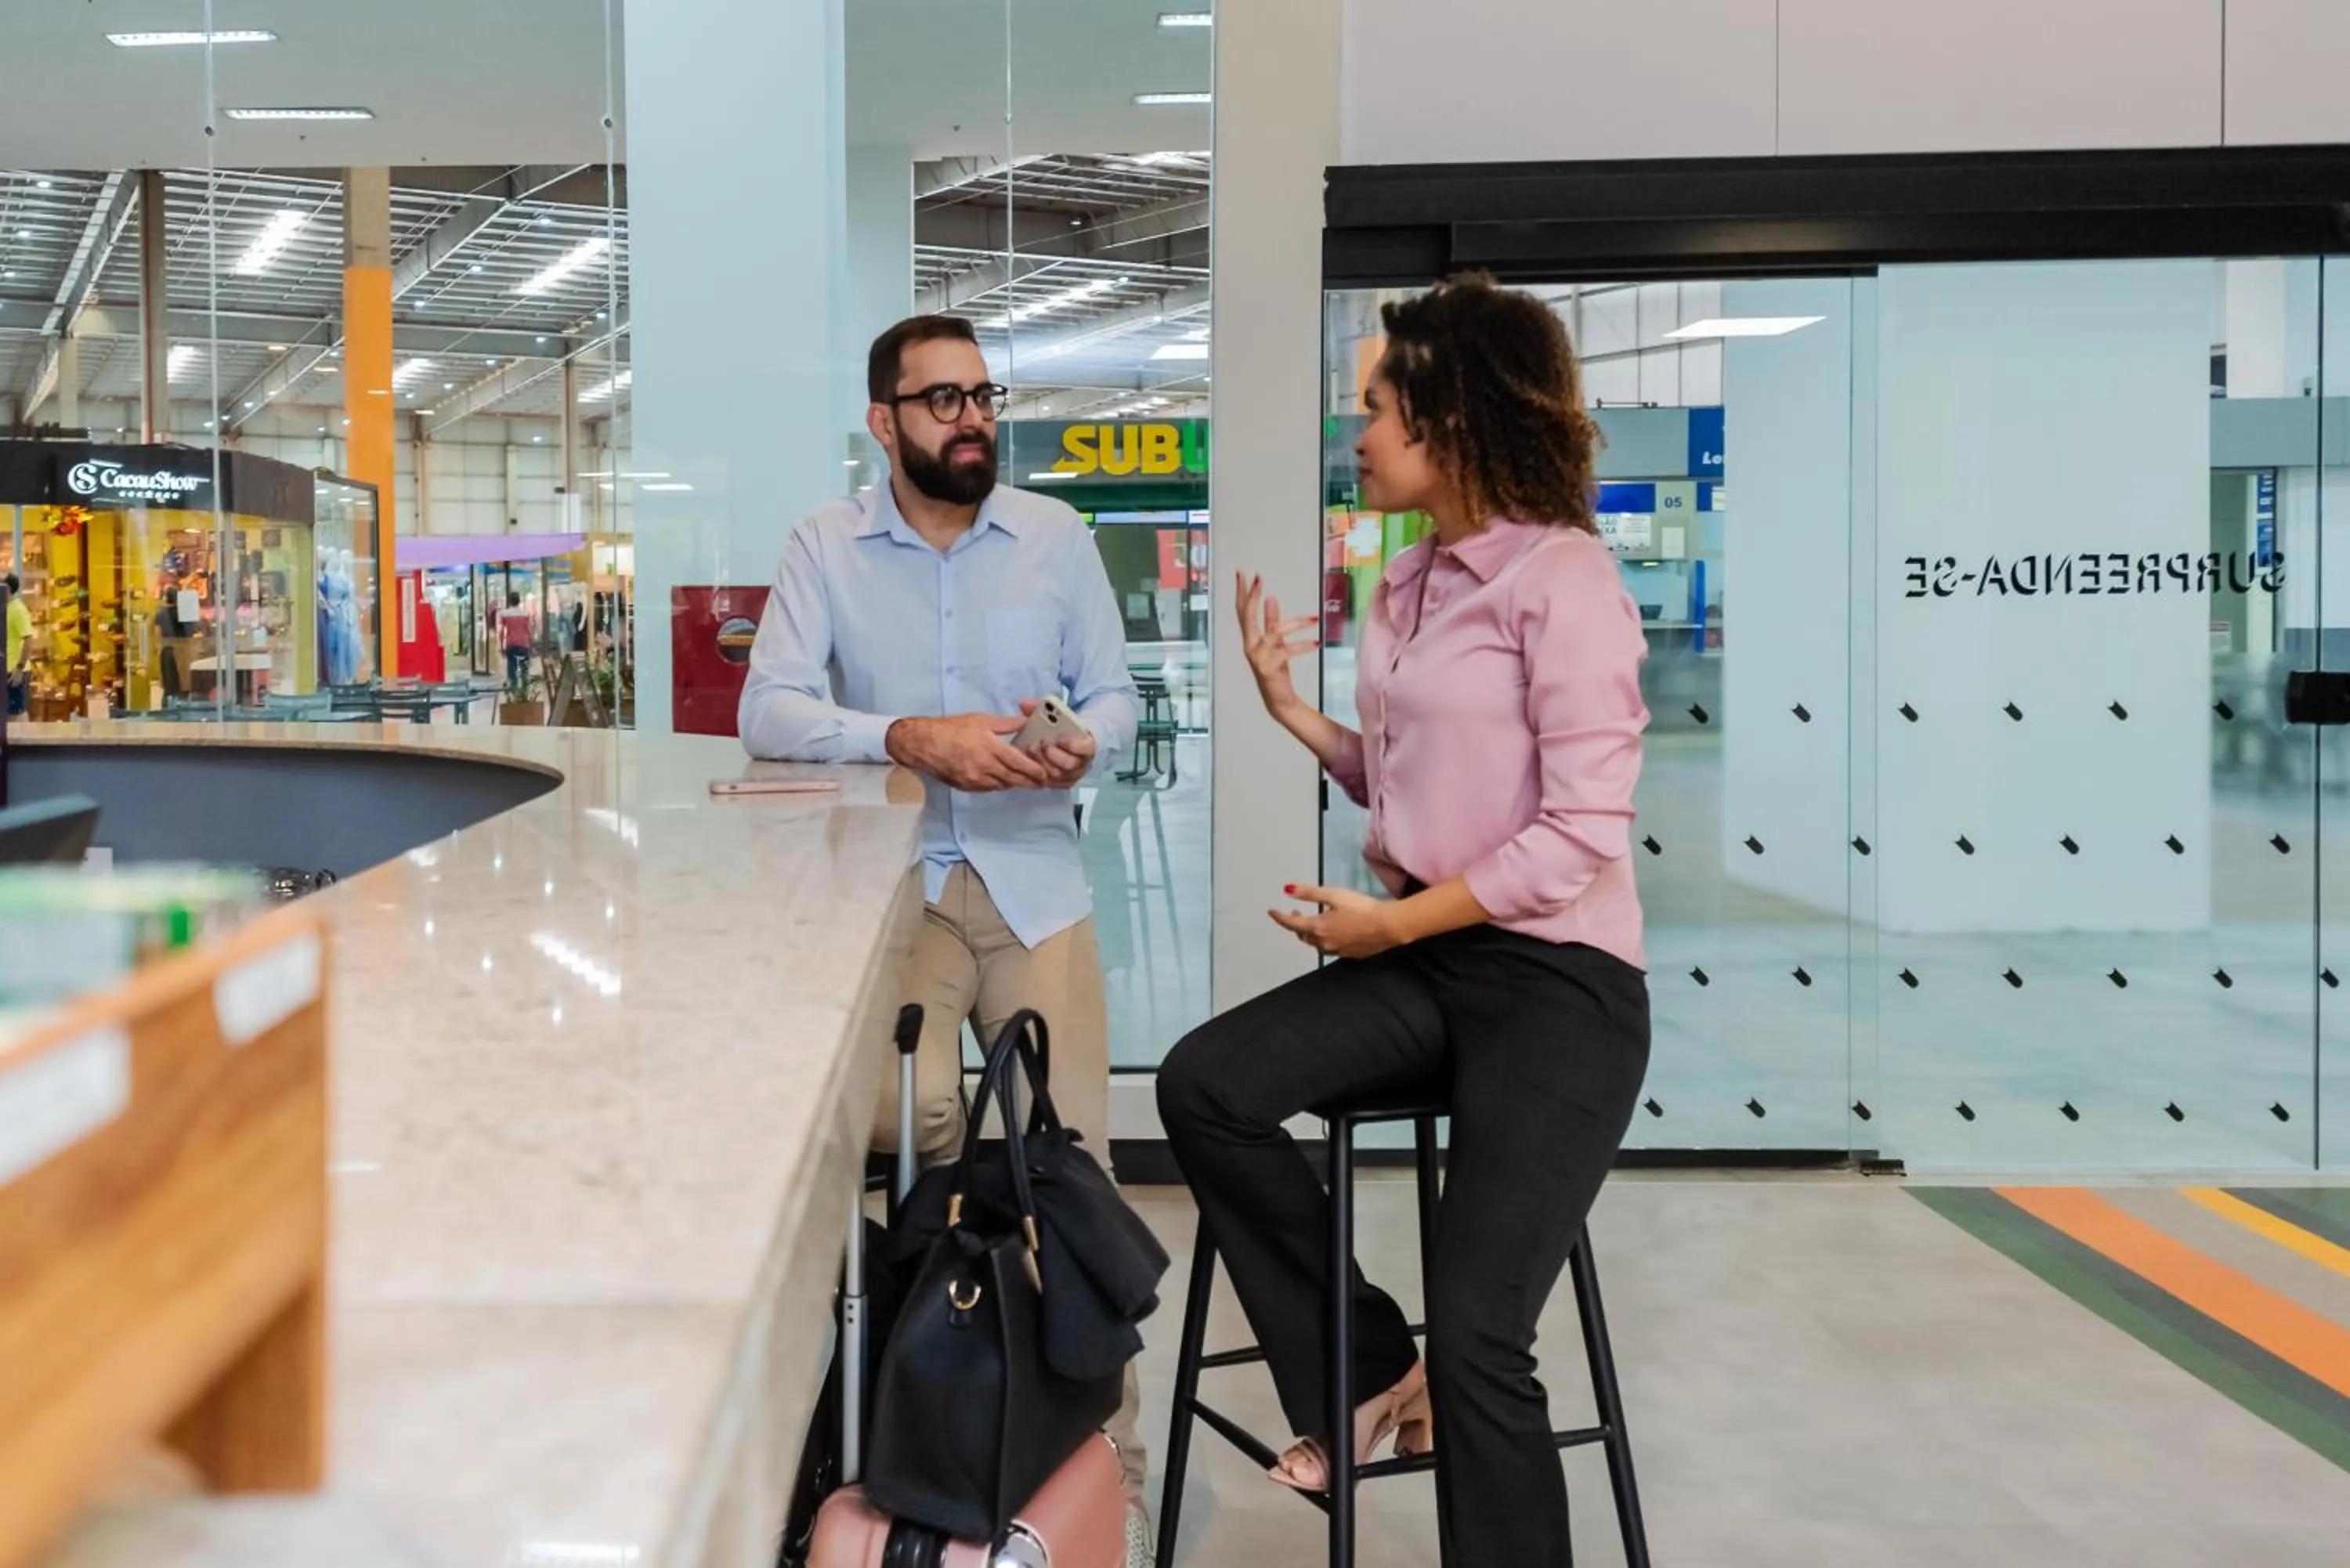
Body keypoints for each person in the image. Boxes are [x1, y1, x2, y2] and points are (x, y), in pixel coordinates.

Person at [1157, 274, 1652, 1566]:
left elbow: (1581, 834)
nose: (1358, 430)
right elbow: (1418, 778)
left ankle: (1435, 1379)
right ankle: (1370, 1371)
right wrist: (1300, 719)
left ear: (1454, 413)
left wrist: (1392, 925)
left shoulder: (1566, 579)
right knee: (1207, 1085)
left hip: (1560, 983)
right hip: (1434, 955)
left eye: (1376, 405)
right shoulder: (1409, 583)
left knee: (1484, 1330)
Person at [738, 314, 1154, 1562]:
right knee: (904, 1131)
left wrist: (1086, 734)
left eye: (980, 396)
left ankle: (1093, 1461)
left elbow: (1124, 699)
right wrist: (910, 736)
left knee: (1070, 1170)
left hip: (1036, 881)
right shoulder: (826, 545)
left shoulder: (1057, 538)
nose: (970, 418)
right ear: (885, 422)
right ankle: (919, 1417)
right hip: (897, 890)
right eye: (940, 400)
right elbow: (771, 707)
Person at [4, 573, 30, 717]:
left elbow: (28, 638)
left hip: (14, 671)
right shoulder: (6, 608)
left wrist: (19, 668)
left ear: (8, 589)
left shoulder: (17, 609)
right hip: (7, 668)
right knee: (9, 713)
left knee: (17, 713)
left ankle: (25, 739)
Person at [500, 592, 533, 692]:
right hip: (524, 644)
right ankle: (525, 691)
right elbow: (529, 630)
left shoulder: (505, 614)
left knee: (512, 668)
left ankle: (513, 690)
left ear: (509, 601)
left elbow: (502, 631)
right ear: (519, 601)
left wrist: (502, 645)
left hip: (511, 644)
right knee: (524, 669)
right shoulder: (526, 614)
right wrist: (531, 643)